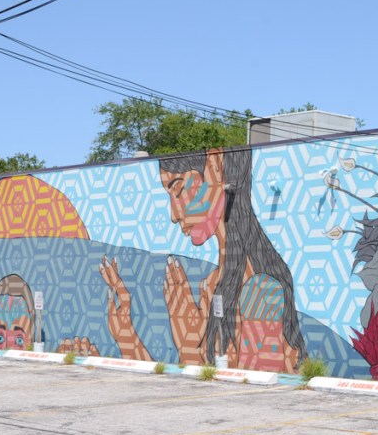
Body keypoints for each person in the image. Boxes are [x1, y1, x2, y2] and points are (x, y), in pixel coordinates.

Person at [99, 148, 307, 372]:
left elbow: (249, 392)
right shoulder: (213, 285)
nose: (173, 215)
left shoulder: (261, 290)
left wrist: (188, 348)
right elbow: (203, 381)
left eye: (178, 189)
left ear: (215, 166)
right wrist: (126, 334)